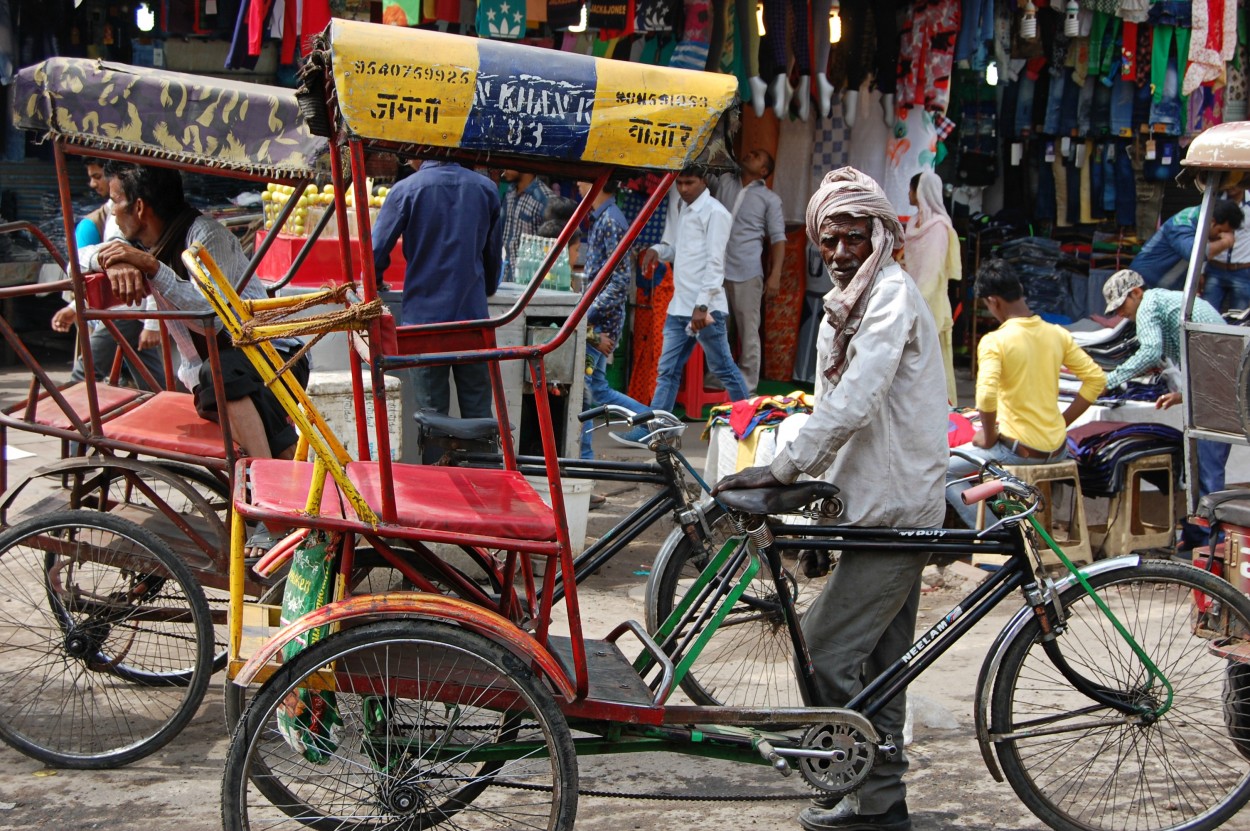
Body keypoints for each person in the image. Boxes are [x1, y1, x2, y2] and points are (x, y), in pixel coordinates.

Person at [712, 167, 949, 831]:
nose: (840, 250)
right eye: (829, 239)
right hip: (868, 505)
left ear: (881, 234)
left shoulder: (891, 298)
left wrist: (781, 471)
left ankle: (861, 782)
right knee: (880, 664)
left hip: (896, 508)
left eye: (852, 236)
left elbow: (854, 401)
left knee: (823, 647)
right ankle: (881, 801)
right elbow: (832, 409)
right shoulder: (846, 304)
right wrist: (811, 501)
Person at [89, 163, 308, 462]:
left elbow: (211, 317)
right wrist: (114, 262)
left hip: (276, 359)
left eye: (116, 201)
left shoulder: (205, 236)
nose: (112, 211)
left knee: (218, 374)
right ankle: (273, 471)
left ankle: (262, 472)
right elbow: (80, 256)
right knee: (215, 377)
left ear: (139, 207)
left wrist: (153, 268)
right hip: (220, 371)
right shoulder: (138, 243)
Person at [945, 259, 1106, 527]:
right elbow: (1096, 380)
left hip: (1020, 452)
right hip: (1058, 449)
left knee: (943, 472)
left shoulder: (996, 341)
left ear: (993, 301)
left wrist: (988, 433)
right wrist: (1060, 423)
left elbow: (985, 397)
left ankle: (995, 536)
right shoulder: (1057, 334)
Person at [614, 168, 749, 446]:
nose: (684, 188)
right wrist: (657, 250)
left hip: (706, 308)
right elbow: (673, 247)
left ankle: (747, 422)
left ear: (704, 181)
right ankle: (655, 430)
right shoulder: (679, 205)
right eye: (680, 182)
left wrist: (702, 305)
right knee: (668, 371)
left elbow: (715, 262)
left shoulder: (716, 213)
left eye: (690, 182)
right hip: (679, 307)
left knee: (723, 368)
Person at [373, 159, 502, 440]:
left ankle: (437, 474)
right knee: (479, 412)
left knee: (432, 416)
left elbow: (374, 253)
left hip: (425, 323)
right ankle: (483, 476)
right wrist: (486, 288)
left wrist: (375, 282)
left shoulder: (406, 189)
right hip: (473, 319)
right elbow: (493, 256)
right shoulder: (486, 189)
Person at [1102, 268, 1228, 554]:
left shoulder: (1149, 305)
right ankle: (1200, 534)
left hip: (1216, 391)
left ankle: (1214, 544)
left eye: (1122, 305)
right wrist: (1182, 396)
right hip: (1214, 385)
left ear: (1136, 293)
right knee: (1200, 468)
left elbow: (1149, 351)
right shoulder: (1164, 301)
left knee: (1207, 470)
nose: (1121, 313)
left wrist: (1108, 381)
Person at [50, 157, 166, 391]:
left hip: (127, 309)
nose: (93, 184)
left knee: (87, 370)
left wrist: (153, 323)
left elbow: (155, 269)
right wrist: (75, 307)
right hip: (122, 306)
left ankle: (72, 406)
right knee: (149, 375)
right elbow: (81, 263)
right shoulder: (104, 219)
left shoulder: (132, 218)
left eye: (97, 176)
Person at [575, 178, 649, 461]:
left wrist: (585, 317)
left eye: (583, 180)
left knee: (591, 391)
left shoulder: (611, 221)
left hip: (601, 320)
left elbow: (618, 282)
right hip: (597, 318)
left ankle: (646, 420)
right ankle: (646, 420)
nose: (579, 186)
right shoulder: (604, 217)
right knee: (594, 389)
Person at [709, 148, 786, 394]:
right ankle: (719, 378)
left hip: (747, 270)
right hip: (718, 269)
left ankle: (748, 384)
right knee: (719, 327)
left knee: (748, 330)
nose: (750, 154)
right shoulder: (723, 182)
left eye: (758, 156)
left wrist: (775, 274)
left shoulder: (770, 199)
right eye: (752, 152)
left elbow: (778, 239)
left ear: (764, 171)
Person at [902, 170, 960, 403]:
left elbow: (934, 270)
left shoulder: (938, 228)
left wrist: (918, 300)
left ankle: (938, 406)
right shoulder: (915, 224)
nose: (909, 193)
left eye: (912, 189)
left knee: (930, 357)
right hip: (909, 297)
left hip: (930, 302)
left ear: (921, 192)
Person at [1128, 199, 1241, 290]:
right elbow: (1195, 254)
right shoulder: (1182, 223)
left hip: (1162, 288)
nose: (1219, 236)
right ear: (1212, 222)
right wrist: (1226, 242)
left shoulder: (1201, 222)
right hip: (1142, 285)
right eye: (1220, 231)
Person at [500, 168, 554, 283]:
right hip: (505, 278)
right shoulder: (509, 193)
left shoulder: (545, 199)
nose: (504, 170)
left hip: (528, 282)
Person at [1207, 183, 1250, 312]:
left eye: (1237, 182)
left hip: (1243, 271)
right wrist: (1201, 270)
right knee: (1206, 314)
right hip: (1214, 269)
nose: (1231, 185)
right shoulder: (1214, 202)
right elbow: (1204, 237)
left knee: (1239, 320)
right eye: (1229, 181)